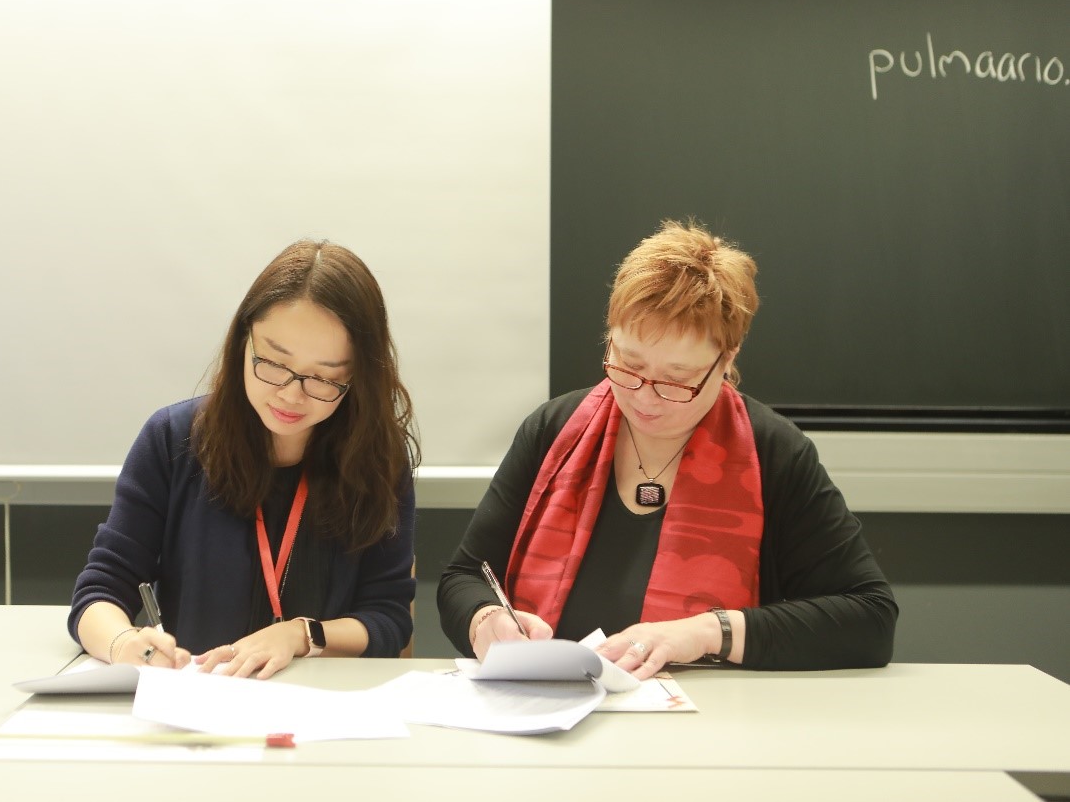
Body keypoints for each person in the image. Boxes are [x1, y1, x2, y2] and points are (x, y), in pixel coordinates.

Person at [438, 220, 897, 677]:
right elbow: (465, 578)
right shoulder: (554, 430)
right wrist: (486, 619)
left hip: (713, 717)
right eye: (628, 364)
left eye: (677, 380)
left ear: (727, 358)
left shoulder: (773, 452)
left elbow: (869, 618)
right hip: (549, 707)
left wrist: (707, 632)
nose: (645, 397)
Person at [70, 239, 418, 679]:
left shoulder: (377, 460)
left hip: (319, 703)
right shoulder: (174, 439)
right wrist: (124, 643)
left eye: (324, 378)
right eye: (273, 363)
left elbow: (388, 618)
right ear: (243, 343)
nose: (291, 394)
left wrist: (301, 635)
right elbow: (99, 591)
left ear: (358, 378)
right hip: (197, 698)